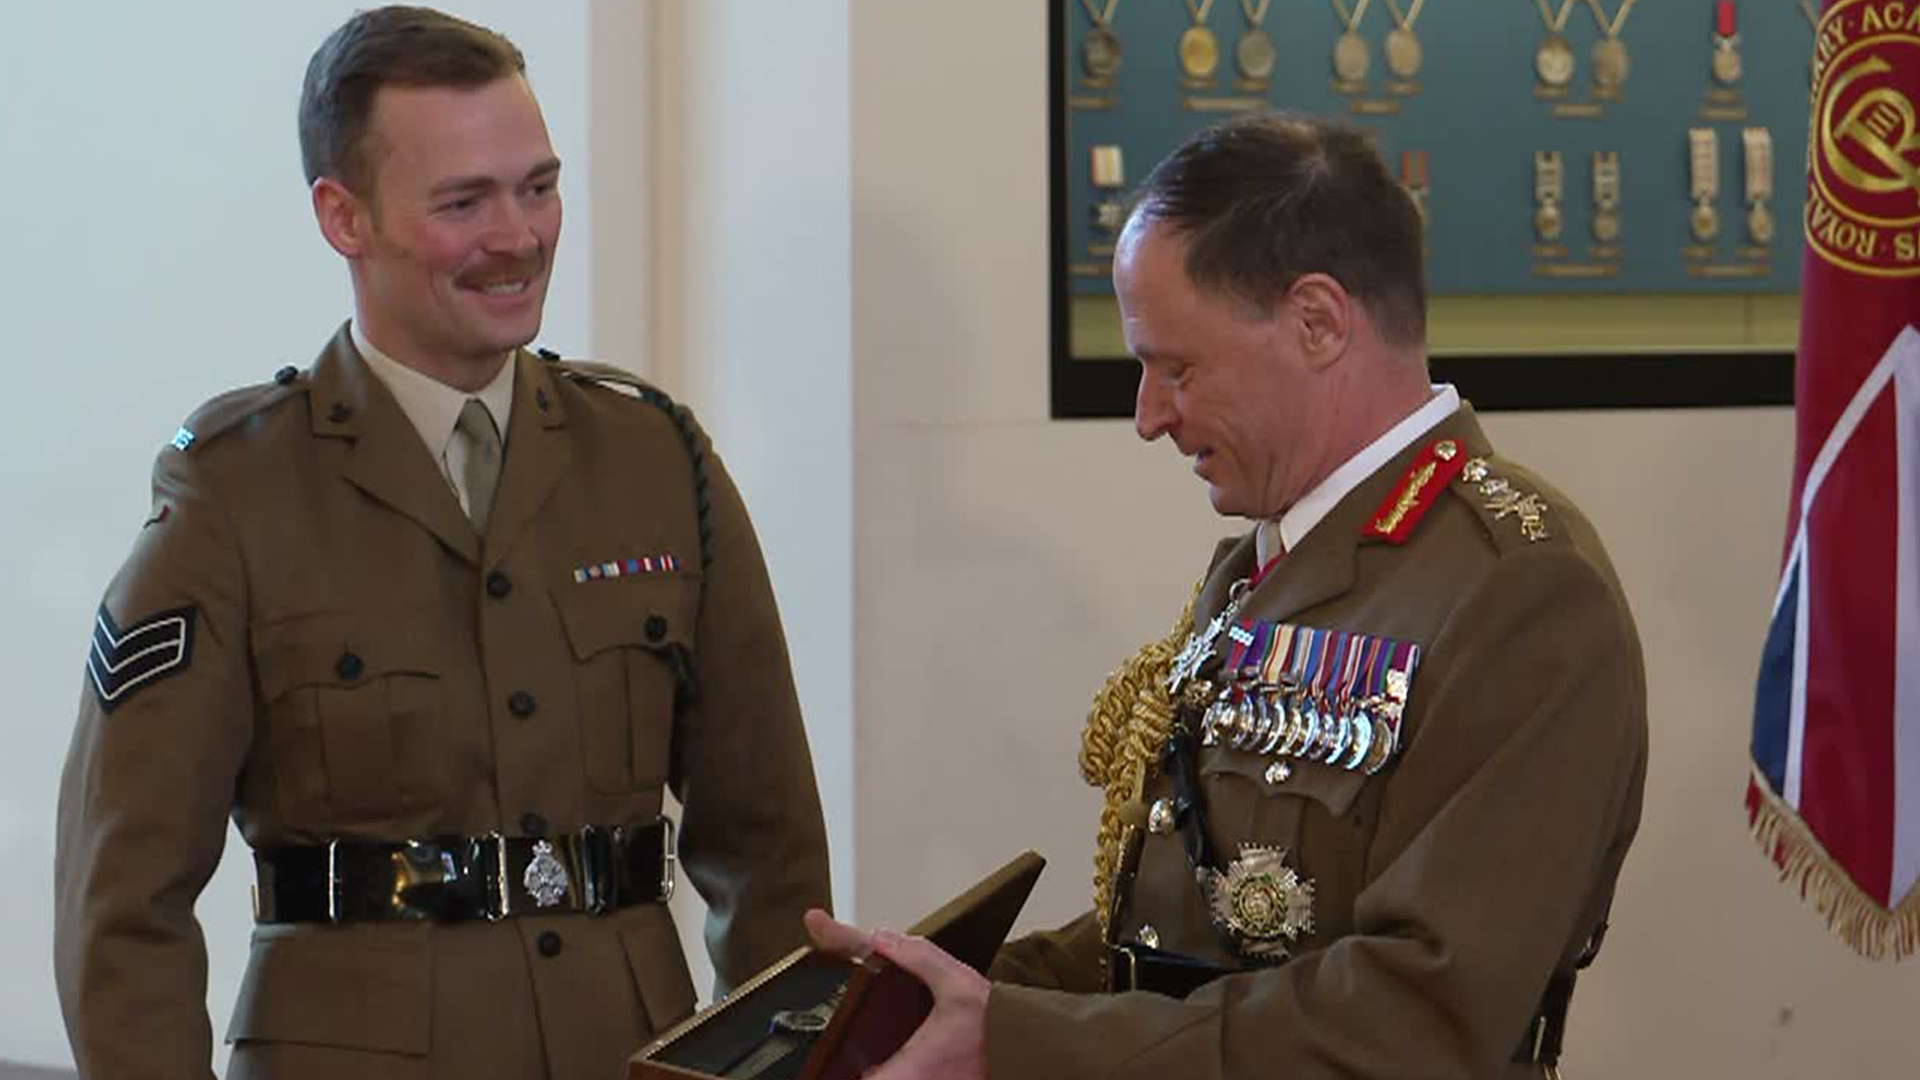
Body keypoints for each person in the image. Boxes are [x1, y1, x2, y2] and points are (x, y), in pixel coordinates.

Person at [54, 7, 831, 1079]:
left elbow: (770, 848)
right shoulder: (236, 492)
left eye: (538, 186)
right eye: (464, 202)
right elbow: (122, 901)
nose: (517, 236)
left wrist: (778, 1067)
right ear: (344, 215)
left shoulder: (658, 460)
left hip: (632, 1053)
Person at [807, 113, 1647, 1080]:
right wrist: (933, 991)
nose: (1149, 416)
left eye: (1178, 366)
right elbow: (1197, 924)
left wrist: (1016, 1041)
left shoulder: (1522, 590)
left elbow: (1418, 1016)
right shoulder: (1268, 562)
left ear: (1319, 321)